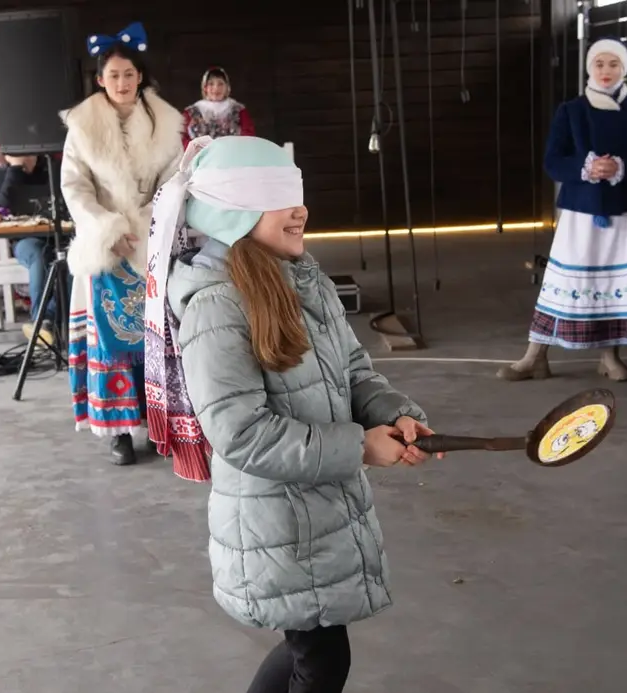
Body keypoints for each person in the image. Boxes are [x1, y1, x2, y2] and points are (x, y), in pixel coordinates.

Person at [145, 135, 441, 691]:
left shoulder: (305, 279)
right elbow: (240, 432)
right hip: (277, 522)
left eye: (297, 192)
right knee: (321, 659)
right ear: (233, 210)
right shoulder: (216, 303)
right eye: (278, 196)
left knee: (311, 650)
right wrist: (358, 446)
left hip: (319, 509)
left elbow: (353, 370)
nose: (301, 209)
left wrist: (396, 413)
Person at [498, 38, 627, 382]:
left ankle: (609, 357)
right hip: (582, 212)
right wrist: (586, 168)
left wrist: (622, 167)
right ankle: (535, 356)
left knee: (615, 284)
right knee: (564, 283)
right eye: (599, 64)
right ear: (589, 68)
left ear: (624, 69)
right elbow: (553, 161)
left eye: (613, 64)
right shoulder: (571, 111)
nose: (606, 71)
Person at [63, 22, 183, 464]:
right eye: (113, 75)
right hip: (106, 248)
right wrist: (107, 230)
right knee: (110, 342)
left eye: (129, 74)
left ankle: (158, 423)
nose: (122, 82)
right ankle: (118, 433)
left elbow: (175, 179)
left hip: (152, 243)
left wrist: (152, 224)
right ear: (100, 79)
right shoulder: (81, 126)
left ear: (140, 76)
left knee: (156, 339)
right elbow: (75, 186)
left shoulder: (165, 121)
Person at [0, 154, 64, 344]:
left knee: (72, 259)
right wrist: (15, 170)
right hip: (25, 241)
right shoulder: (3, 176)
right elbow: (1, 207)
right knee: (40, 254)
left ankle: (48, 319)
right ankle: (40, 323)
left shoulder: (54, 170)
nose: (26, 158)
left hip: (61, 237)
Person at [181, 66, 255, 147]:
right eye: (211, 84)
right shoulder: (191, 112)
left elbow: (248, 138)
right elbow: (182, 139)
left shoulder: (239, 110)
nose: (216, 88)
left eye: (220, 84)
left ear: (227, 87)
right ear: (205, 87)